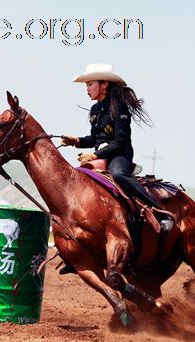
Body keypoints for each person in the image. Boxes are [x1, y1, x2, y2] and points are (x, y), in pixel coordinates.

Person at [62, 63, 172, 232]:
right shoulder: (94, 109)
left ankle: (156, 208)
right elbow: (95, 138)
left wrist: (94, 155)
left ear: (104, 84)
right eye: (86, 85)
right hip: (100, 155)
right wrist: (75, 141)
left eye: (90, 84)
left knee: (119, 174)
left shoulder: (118, 107)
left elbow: (120, 141)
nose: (87, 89)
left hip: (120, 155)